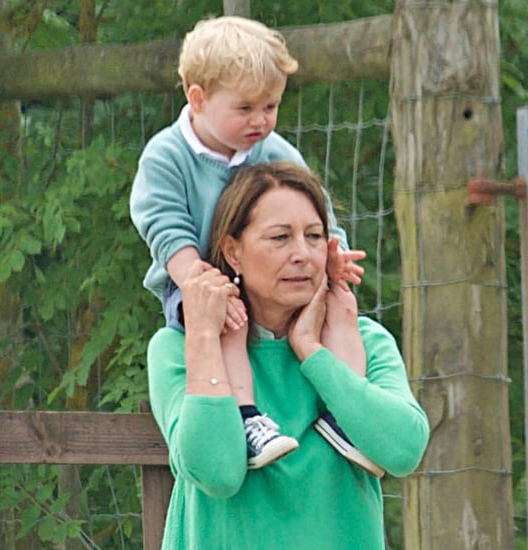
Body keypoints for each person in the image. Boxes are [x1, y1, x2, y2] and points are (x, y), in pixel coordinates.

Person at [147, 161, 430, 550]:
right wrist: (203, 335)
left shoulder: (366, 340)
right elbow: (218, 472)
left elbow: (403, 450)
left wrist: (312, 352)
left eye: (314, 236)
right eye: (280, 238)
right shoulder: (178, 349)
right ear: (233, 251)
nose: (302, 254)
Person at [130, 16, 367, 469]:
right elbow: (163, 226)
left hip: (271, 277)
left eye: (271, 106)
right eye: (245, 109)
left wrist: (332, 252)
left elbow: (315, 208)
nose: (261, 120)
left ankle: (348, 414)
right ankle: (246, 418)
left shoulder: (275, 150)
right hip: (195, 278)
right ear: (197, 99)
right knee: (227, 322)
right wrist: (203, 286)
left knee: (341, 305)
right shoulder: (166, 156)